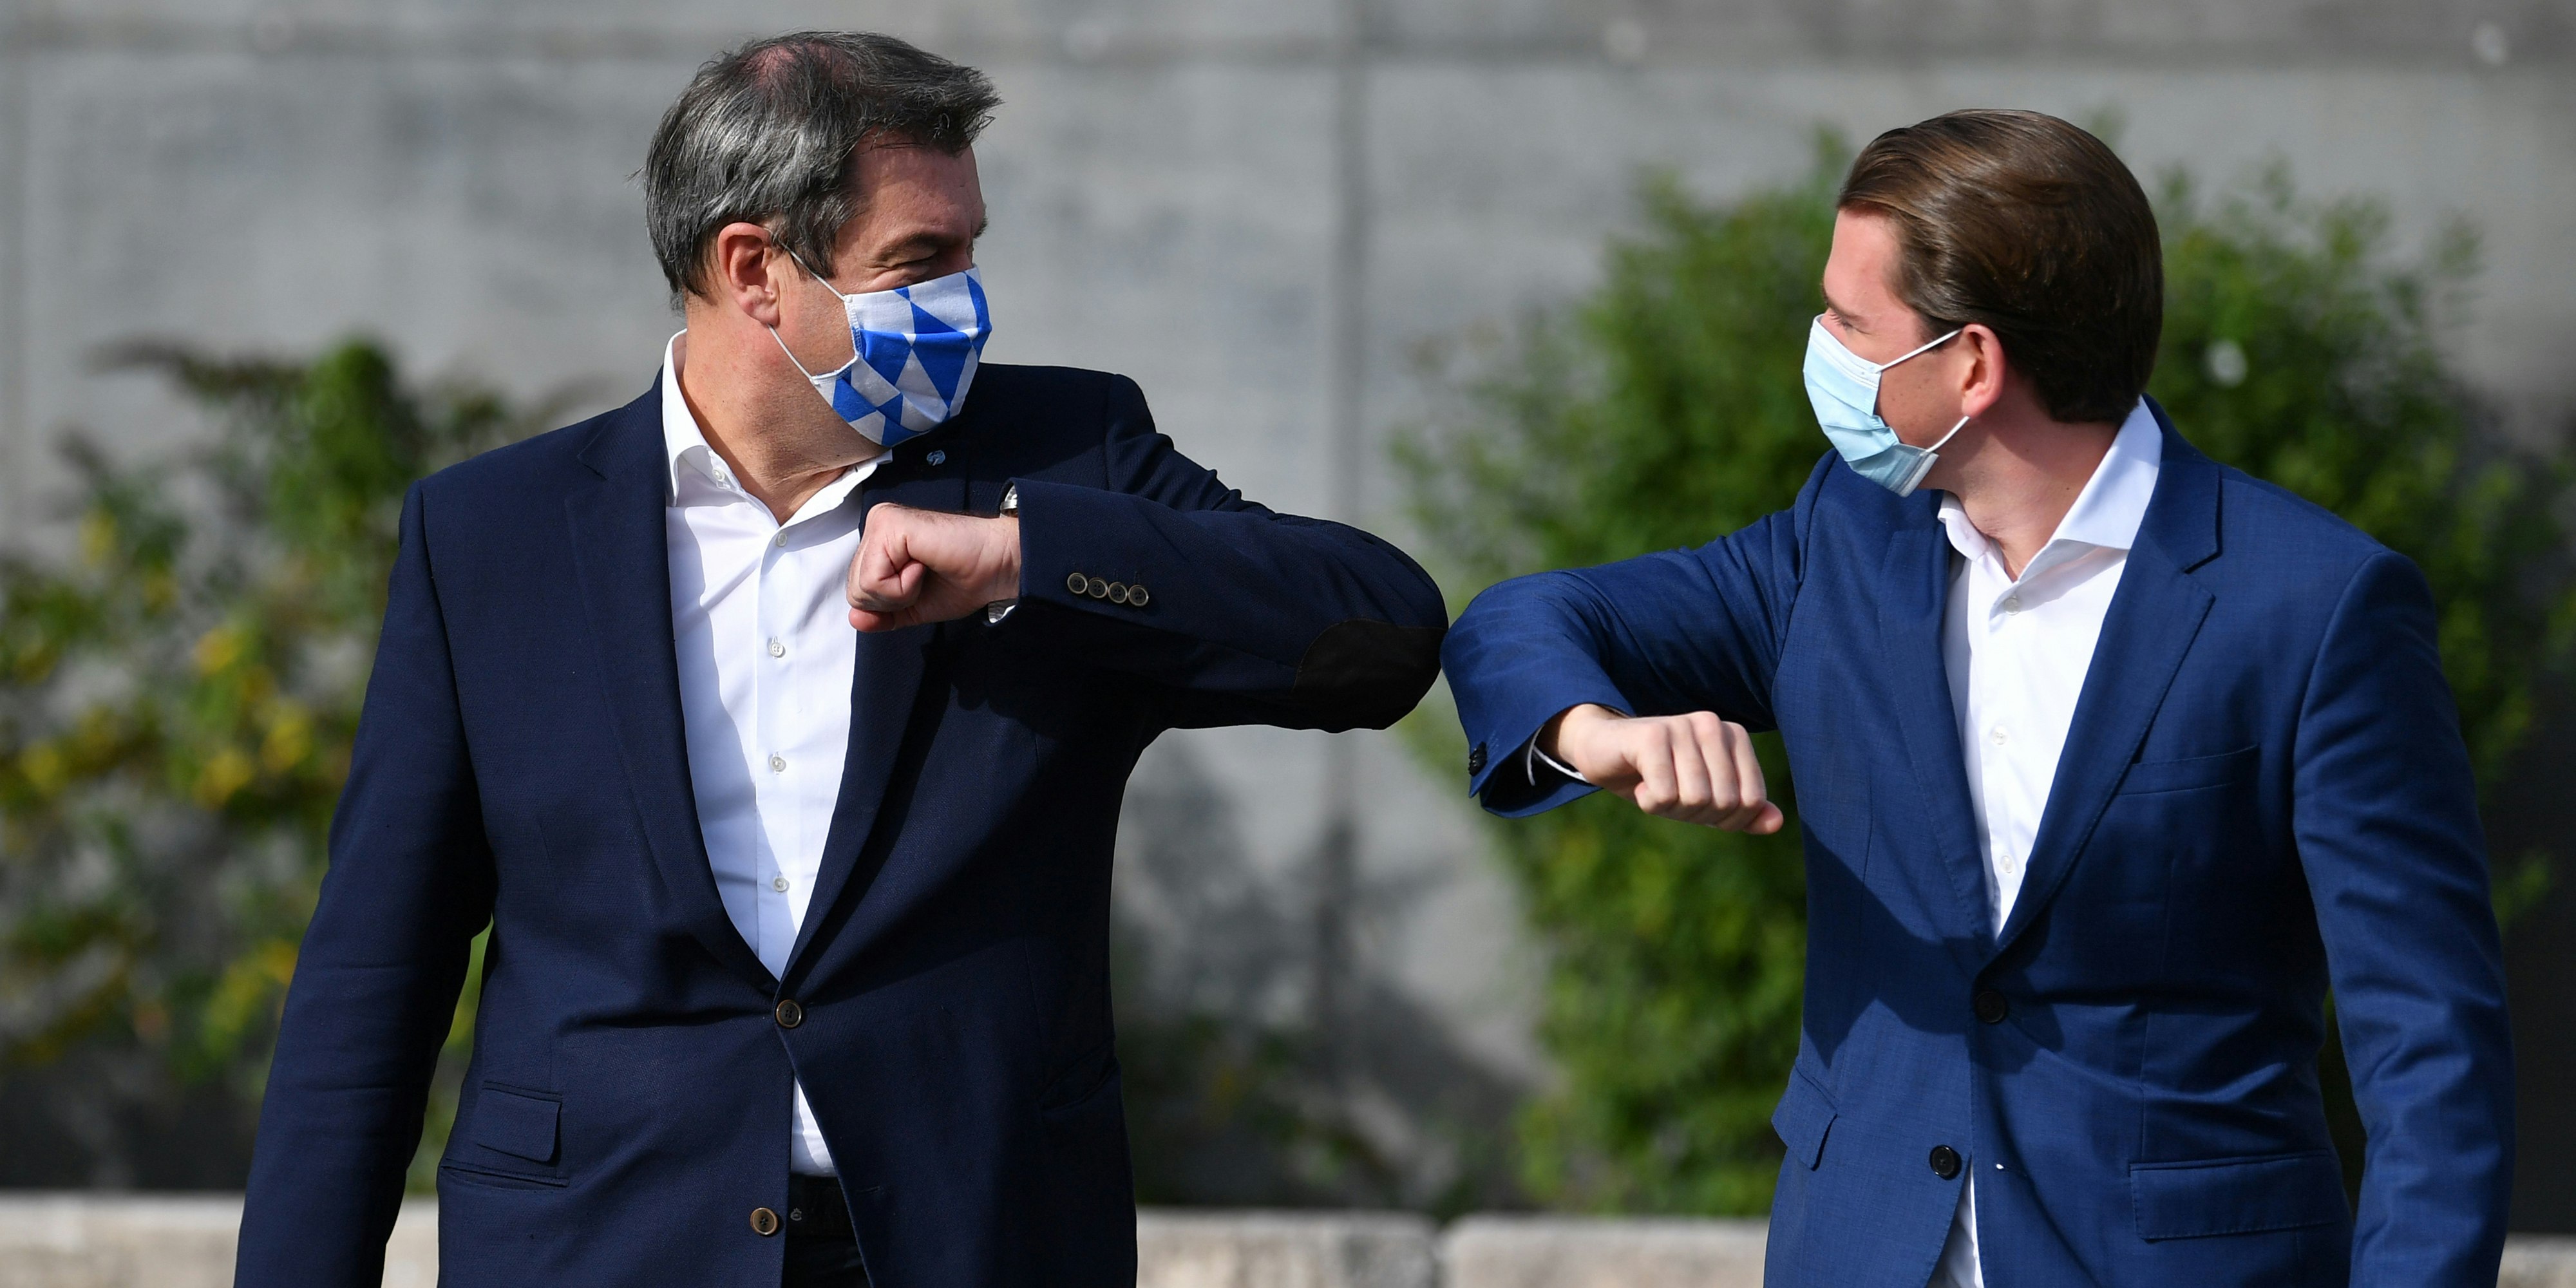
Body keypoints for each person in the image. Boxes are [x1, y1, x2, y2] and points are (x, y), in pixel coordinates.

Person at [231, 31, 1446, 1288]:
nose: (967, 299)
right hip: (599, 1248)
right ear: (754, 268)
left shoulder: (1063, 461)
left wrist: (1029, 557)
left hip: (972, 1242)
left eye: (971, 249)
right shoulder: (493, 534)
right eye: (921, 261)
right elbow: (374, 974)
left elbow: (1384, 633)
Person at [1441, 109, 2512, 1286]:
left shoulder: (2313, 603)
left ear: (1974, 366)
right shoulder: (1841, 540)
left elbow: (2432, 1051)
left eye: (1852, 324)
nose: (1821, 348)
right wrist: (1595, 734)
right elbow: (1523, 621)